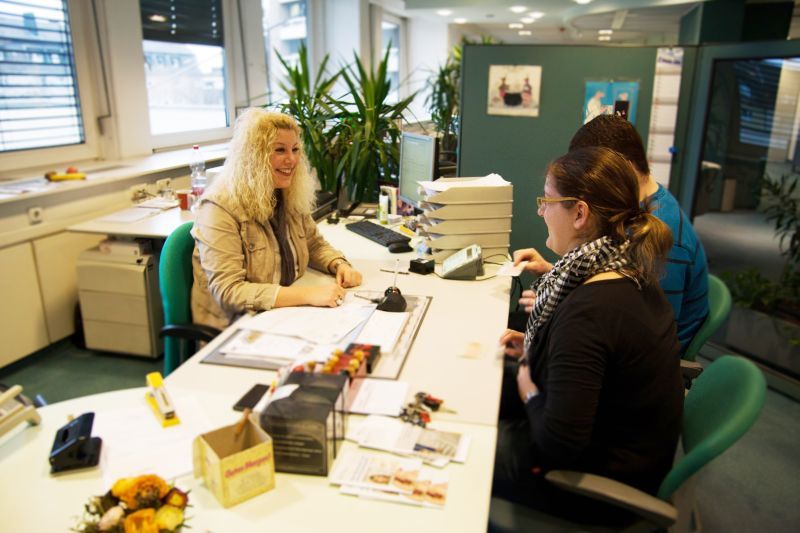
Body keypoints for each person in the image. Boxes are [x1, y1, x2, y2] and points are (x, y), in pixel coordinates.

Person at [494, 147, 683, 525]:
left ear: (579, 213)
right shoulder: (627, 266)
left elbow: (559, 445)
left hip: (596, 483)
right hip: (622, 444)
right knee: (485, 386)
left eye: (546, 201)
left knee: (455, 452)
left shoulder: (590, 311)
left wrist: (530, 385)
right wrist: (537, 347)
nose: (540, 211)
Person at [514, 114, 709, 356]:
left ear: (622, 168)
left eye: (591, 169)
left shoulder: (664, 238)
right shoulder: (634, 209)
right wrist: (551, 270)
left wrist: (559, 310)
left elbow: (638, 328)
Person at [191, 108, 363, 330]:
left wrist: (338, 264)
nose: (291, 159)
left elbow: (313, 243)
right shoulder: (219, 206)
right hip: (238, 327)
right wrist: (306, 295)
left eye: (295, 149)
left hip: (280, 314)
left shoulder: (285, 192)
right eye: (279, 150)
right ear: (254, 155)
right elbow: (229, 291)